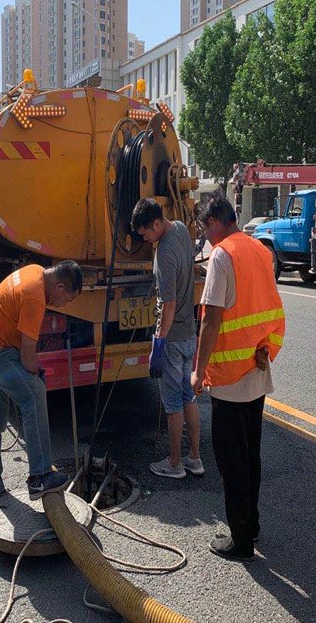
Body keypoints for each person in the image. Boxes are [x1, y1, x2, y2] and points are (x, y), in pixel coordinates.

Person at [191, 192, 284, 563]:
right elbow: (271, 305)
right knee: (251, 455)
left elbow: (211, 319)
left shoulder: (223, 255)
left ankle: (241, 541)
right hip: (257, 368)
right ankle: (252, 525)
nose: (205, 236)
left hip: (230, 377)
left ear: (215, 220)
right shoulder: (260, 250)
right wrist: (265, 349)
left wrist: (198, 370)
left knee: (231, 462)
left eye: (203, 227)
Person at [0, 261, 84, 501]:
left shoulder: (34, 271)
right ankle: (40, 476)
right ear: (60, 286)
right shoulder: (35, 298)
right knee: (34, 394)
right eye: (67, 299)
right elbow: (28, 355)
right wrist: (36, 374)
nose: (63, 305)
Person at [131, 198, 202, 480]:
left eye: (146, 233)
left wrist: (158, 344)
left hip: (172, 339)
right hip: (189, 334)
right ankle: (194, 458)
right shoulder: (182, 230)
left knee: (172, 404)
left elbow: (168, 305)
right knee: (188, 398)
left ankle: (174, 464)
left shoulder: (164, 255)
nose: (145, 239)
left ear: (157, 224)